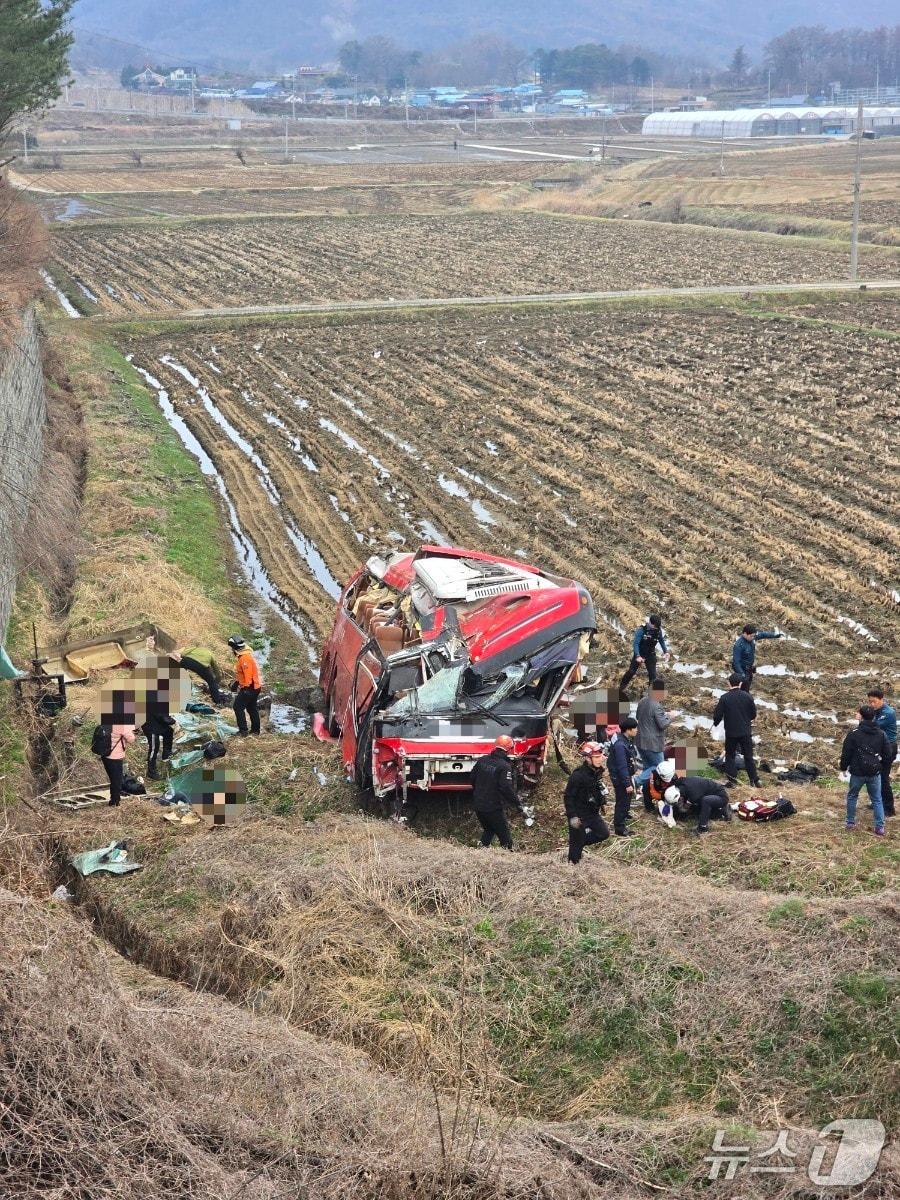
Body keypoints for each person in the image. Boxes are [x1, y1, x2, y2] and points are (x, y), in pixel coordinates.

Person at [840, 705, 890, 835]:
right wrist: (881, 765)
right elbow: (887, 754)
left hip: (857, 772)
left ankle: (850, 822)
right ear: (874, 717)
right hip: (874, 772)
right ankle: (879, 827)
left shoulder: (853, 734)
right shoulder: (881, 733)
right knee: (877, 799)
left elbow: (846, 753)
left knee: (852, 796)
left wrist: (843, 768)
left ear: (861, 716)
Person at [470, 735, 525, 849]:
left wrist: (479, 792)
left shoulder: (482, 760)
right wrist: (517, 803)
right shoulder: (504, 766)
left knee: (489, 830)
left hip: (478, 805)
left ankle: (480, 851)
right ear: (508, 749)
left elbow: (472, 778)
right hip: (493, 807)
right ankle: (508, 858)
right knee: (505, 837)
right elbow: (506, 788)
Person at [564, 741, 610, 864]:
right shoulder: (578, 776)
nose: (600, 759)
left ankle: (579, 842)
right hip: (579, 815)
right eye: (596, 757)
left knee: (603, 833)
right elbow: (568, 797)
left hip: (592, 813)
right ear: (587, 758)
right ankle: (573, 864)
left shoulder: (597, 771)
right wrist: (573, 816)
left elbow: (598, 788)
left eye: (600, 756)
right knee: (575, 853)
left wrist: (603, 803)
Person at [712, 674, 761, 788]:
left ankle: (732, 780)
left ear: (729, 684)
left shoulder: (725, 698)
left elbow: (718, 715)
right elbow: (753, 714)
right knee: (749, 756)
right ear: (740, 684)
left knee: (730, 756)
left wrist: (715, 722)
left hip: (731, 733)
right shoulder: (747, 696)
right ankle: (754, 780)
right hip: (745, 732)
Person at [664, 777, 732, 835]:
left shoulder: (693, 795)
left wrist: (681, 810)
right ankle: (722, 811)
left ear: (679, 797)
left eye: (677, 802)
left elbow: (685, 809)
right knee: (698, 808)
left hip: (721, 797)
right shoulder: (679, 783)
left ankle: (703, 828)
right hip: (708, 793)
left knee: (704, 803)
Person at [619, 614, 668, 695]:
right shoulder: (642, 630)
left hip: (650, 654)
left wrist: (665, 651)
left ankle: (651, 697)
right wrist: (637, 656)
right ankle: (620, 689)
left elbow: (661, 640)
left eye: (657, 627)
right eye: (655, 627)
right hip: (640, 653)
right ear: (650, 623)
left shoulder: (658, 630)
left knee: (653, 676)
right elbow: (636, 644)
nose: (656, 628)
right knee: (631, 671)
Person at [607, 715, 639, 836]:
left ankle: (625, 813)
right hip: (620, 776)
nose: (637, 730)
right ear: (628, 730)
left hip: (623, 774)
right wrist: (627, 783)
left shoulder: (623, 738)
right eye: (635, 728)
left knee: (628, 795)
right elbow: (622, 766)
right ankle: (619, 827)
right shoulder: (620, 745)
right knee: (622, 799)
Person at [867, 688, 896, 818]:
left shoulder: (888, 713)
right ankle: (877, 802)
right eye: (870, 702)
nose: (872, 704)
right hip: (879, 746)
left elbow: (874, 726)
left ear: (881, 700)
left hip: (888, 748)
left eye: (874, 702)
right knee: (875, 776)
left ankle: (889, 808)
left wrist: (863, 719)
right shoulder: (876, 711)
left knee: (883, 778)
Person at [635, 678, 671, 784]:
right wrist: (670, 717)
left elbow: (638, 716)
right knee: (658, 767)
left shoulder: (642, 701)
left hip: (640, 740)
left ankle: (645, 788)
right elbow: (663, 724)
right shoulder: (657, 705)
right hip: (652, 744)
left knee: (648, 767)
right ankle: (636, 781)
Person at [731, 624, 782, 691]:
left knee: (748, 686)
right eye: (751, 636)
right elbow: (736, 662)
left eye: (754, 636)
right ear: (745, 633)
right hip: (742, 670)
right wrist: (741, 674)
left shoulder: (752, 637)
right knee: (743, 689)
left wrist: (775, 635)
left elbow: (763, 635)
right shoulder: (738, 645)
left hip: (749, 669)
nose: (753, 638)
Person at [228, 636, 262, 736]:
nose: (231, 650)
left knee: (238, 707)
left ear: (235, 648)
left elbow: (248, 674)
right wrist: (237, 683)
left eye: (232, 648)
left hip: (250, 687)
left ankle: (243, 731)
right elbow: (242, 674)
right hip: (255, 687)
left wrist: (246, 688)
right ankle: (255, 731)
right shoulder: (245, 655)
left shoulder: (244, 658)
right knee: (252, 708)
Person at [102, 722, 136, 807]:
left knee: (113, 779)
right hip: (115, 756)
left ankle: (114, 799)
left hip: (105, 754)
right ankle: (115, 801)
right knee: (117, 780)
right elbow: (131, 739)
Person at [142, 711, 175, 780]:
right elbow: (163, 718)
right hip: (150, 727)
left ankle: (166, 754)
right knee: (154, 748)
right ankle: (151, 771)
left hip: (156, 723)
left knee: (169, 731)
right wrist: (172, 720)